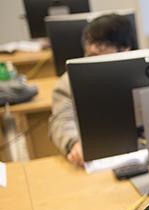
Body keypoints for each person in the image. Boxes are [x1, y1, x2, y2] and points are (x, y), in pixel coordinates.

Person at [48, 13, 134, 166]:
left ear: (124, 48)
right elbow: (62, 119)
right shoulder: (68, 81)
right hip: (97, 160)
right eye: (90, 42)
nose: (93, 48)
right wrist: (74, 143)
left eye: (103, 43)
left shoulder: (143, 73)